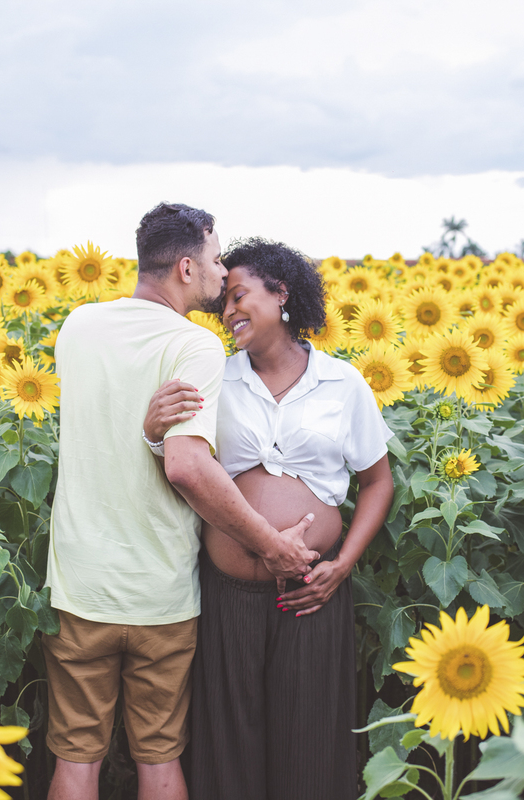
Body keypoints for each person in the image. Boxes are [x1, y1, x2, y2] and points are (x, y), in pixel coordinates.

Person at [43, 205, 320, 800]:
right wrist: (270, 544)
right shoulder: (193, 344)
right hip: (160, 596)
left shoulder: (78, 326)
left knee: (75, 762)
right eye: (218, 262)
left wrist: (144, 433)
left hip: (81, 587)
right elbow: (189, 465)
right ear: (188, 267)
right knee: (161, 763)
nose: (222, 277)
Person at [143, 238, 395, 800]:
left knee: (308, 740)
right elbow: (176, 461)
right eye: (223, 304)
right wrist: (153, 428)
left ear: (281, 293)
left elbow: (378, 482)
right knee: (228, 740)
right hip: (227, 588)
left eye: (238, 297)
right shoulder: (214, 377)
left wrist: (343, 565)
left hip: (313, 588)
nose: (228, 312)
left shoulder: (343, 382)